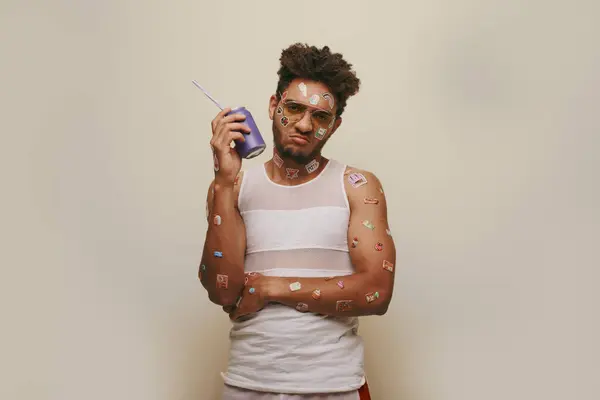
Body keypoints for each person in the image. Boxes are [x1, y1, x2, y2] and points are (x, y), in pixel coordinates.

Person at [199, 43, 396, 400]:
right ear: (274, 107)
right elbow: (222, 291)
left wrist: (271, 287)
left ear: (334, 126)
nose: (305, 125)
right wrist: (224, 182)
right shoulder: (233, 187)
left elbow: (377, 292)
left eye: (321, 117)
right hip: (247, 382)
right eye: (294, 108)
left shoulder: (357, 187)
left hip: (332, 385)